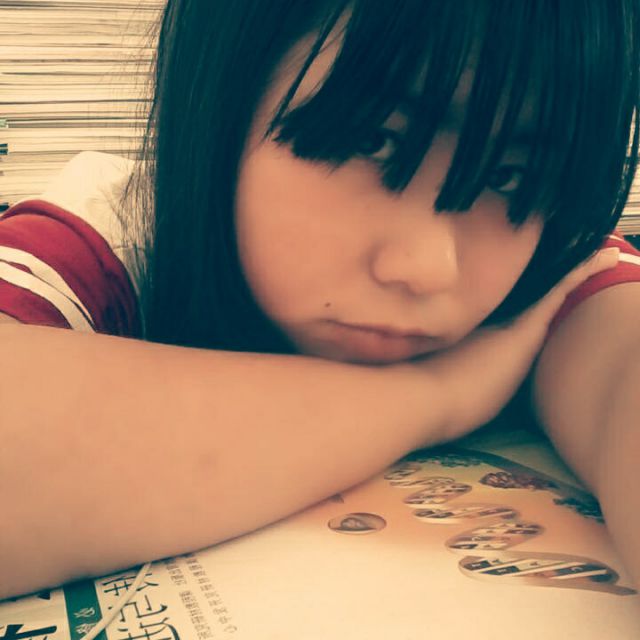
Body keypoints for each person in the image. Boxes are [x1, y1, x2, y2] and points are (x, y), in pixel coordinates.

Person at [1, 0, 639, 600]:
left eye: (509, 177)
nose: (428, 267)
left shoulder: (555, 268)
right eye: (373, 140)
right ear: (219, 101)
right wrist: (439, 392)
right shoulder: (108, 237)